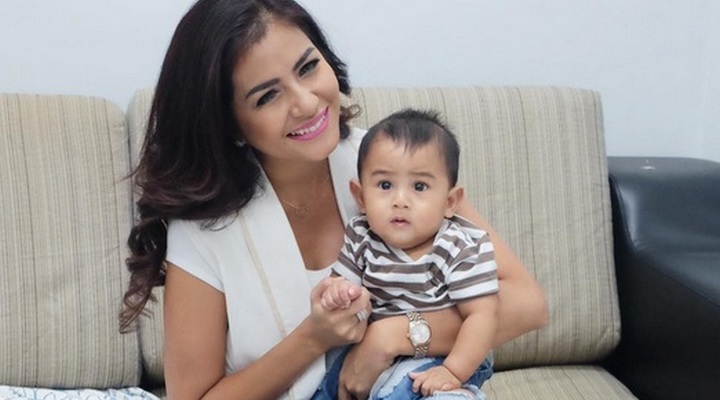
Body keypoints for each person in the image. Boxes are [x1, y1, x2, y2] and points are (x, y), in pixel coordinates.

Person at [119, 0, 548, 399]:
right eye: (268, 96)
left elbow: (526, 305)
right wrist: (314, 337)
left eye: (308, 67)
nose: (307, 103)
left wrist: (391, 335)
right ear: (228, 123)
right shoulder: (204, 227)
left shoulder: (387, 170)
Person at [312, 108, 498, 400]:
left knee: (410, 392)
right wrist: (337, 292)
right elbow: (340, 283)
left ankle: (460, 394)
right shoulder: (362, 235)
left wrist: (453, 372)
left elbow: (482, 316)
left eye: (419, 186)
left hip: (444, 356)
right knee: (326, 386)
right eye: (385, 185)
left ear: (450, 202)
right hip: (373, 356)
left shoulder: (459, 246)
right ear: (361, 197)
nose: (400, 201)